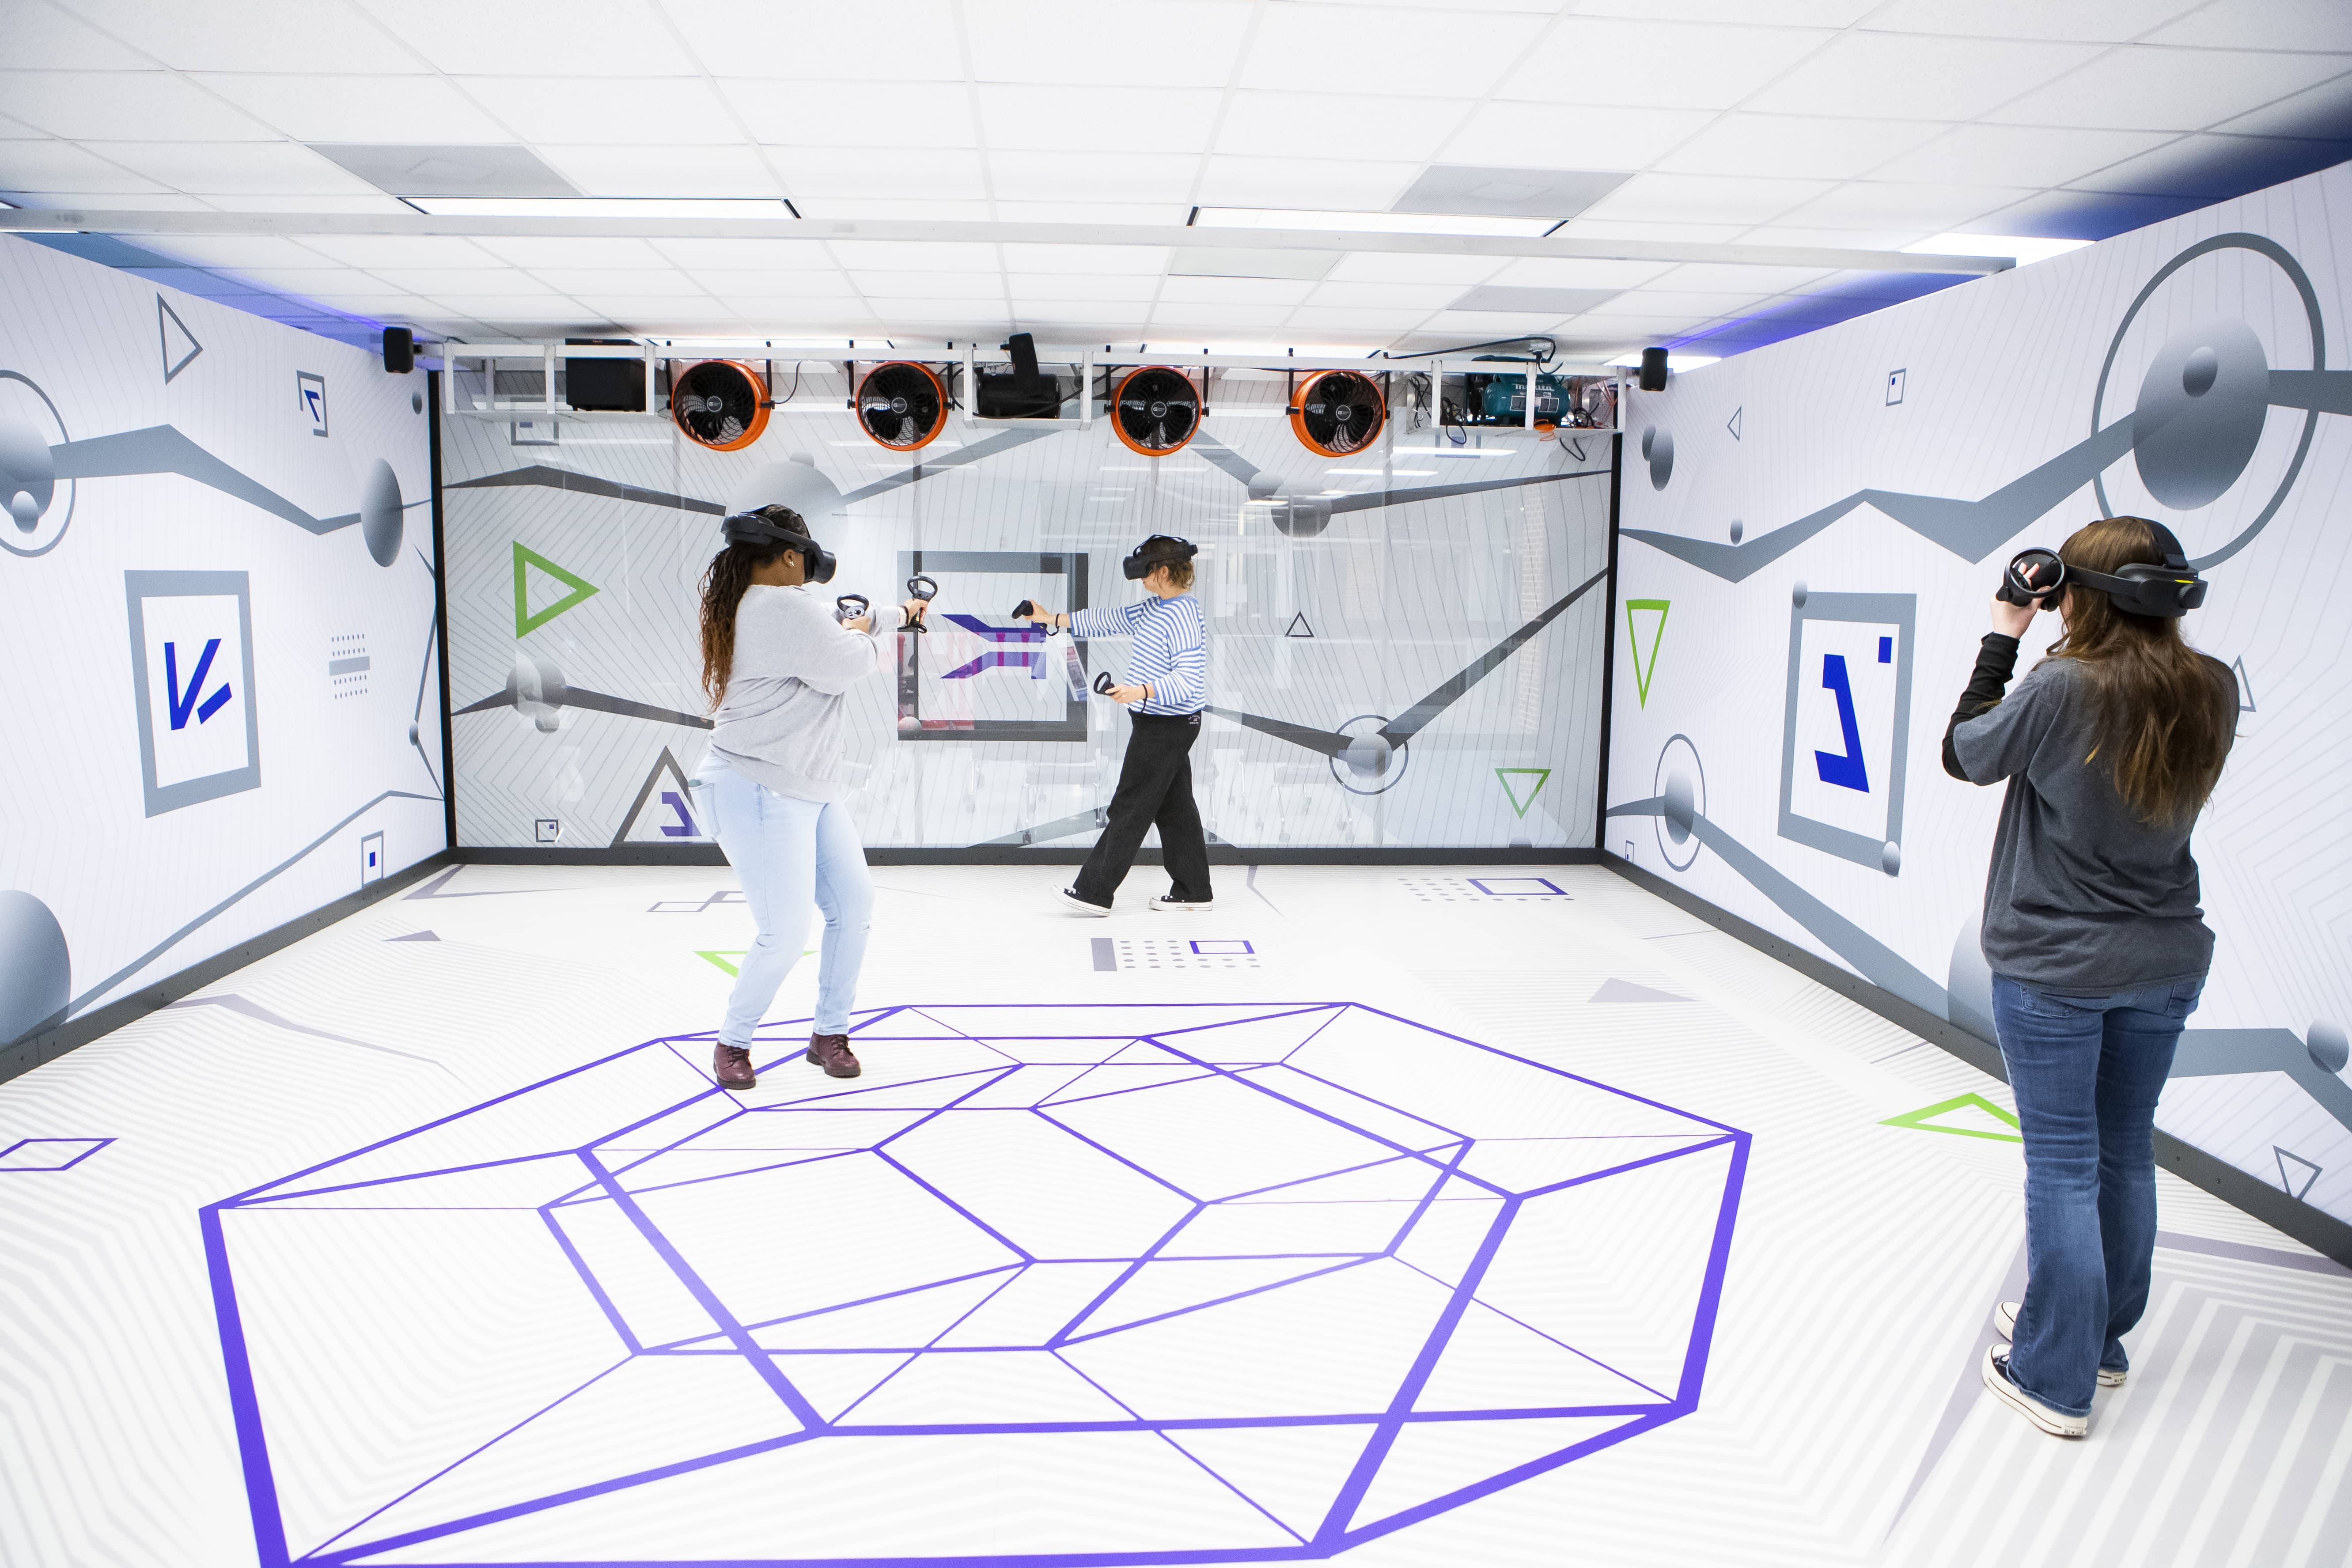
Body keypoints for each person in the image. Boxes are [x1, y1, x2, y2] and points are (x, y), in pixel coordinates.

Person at [1943, 515, 2237, 1439]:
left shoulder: (2062, 684)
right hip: (2165, 959)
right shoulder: (2212, 687)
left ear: (2081, 594)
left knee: (2063, 1163)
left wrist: (2003, 630)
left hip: (2055, 965)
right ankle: (2096, 1342)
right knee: (2122, 1147)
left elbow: (1965, 751)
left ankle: (2054, 1375)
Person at [689, 505, 928, 1088]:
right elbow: (849, 658)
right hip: (759, 784)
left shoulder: (767, 604)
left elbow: (842, 618)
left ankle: (829, 1033)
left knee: (852, 907)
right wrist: (872, 632)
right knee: (786, 930)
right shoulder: (778, 607)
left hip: (808, 786)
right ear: (791, 555)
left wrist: (900, 612)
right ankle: (733, 1042)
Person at [1024, 535, 1213, 915]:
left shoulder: (1183, 616)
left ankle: (1095, 892)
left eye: (1146, 573)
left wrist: (1141, 691)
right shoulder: (1155, 608)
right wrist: (1050, 619)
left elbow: (1190, 680)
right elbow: (1107, 619)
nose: (1141, 580)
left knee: (1130, 805)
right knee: (1175, 808)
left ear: (1162, 572)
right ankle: (1194, 890)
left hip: (1168, 724)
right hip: (1158, 720)